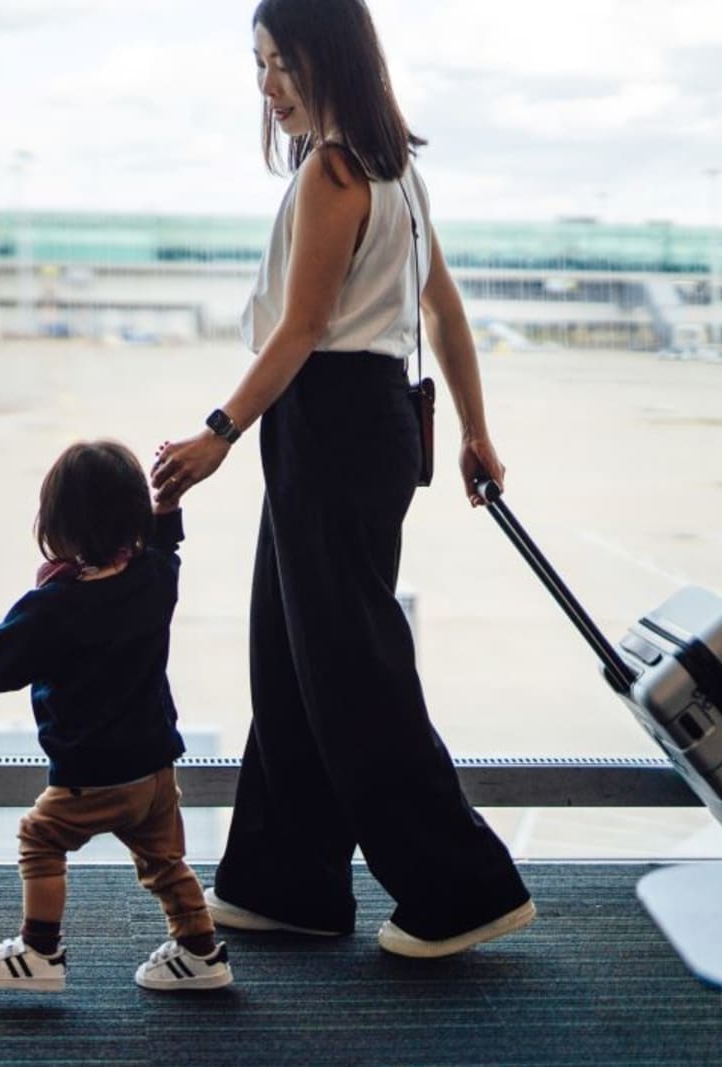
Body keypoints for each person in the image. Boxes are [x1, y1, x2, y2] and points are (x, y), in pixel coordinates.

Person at [149, 0, 534, 958]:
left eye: (281, 63)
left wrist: (218, 432)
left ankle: (463, 888)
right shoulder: (394, 168)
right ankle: (289, 883)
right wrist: (475, 433)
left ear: (330, 58)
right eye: (259, 65)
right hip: (366, 421)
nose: (267, 86)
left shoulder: (333, 174)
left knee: (349, 667)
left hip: (329, 419)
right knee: (292, 654)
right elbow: (442, 310)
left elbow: (304, 328)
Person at [0, 440, 231, 992]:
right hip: (155, 766)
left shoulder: (55, 609)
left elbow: (2, 657)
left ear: (58, 528)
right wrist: (167, 507)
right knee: (164, 861)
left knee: (40, 838)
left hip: (93, 774)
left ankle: (39, 951)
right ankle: (201, 951)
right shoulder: (156, 579)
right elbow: (166, 546)